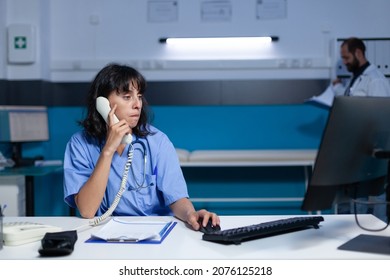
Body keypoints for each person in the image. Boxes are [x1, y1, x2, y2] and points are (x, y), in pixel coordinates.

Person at [63, 63, 220, 231]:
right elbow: (87, 210)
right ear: (103, 103)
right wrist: (108, 150)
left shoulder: (157, 141)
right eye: (127, 96)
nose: (137, 104)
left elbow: (176, 198)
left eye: (139, 96)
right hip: (104, 233)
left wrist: (191, 214)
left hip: (155, 232)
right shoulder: (80, 144)